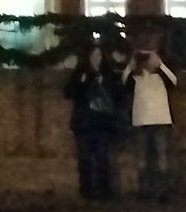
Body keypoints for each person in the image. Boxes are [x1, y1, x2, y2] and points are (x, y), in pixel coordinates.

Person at [63, 46, 123, 203]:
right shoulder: (80, 73)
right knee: (85, 157)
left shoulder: (108, 74)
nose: (96, 58)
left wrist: (106, 83)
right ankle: (86, 188)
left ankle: (104, 188)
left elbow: (118, 94)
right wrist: (83, 82)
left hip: (102, 122)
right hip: (84, 122)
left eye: (99, 55)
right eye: (93, 55)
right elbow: (69, 92)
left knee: (102, 156)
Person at [123, 47, 176, 200]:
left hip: (160, 121)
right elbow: (124, 83)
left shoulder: (161, 77)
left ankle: (162, 189)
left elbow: (173, 81)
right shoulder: (137, 78)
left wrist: (160, 65)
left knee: (161, 156)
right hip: (142, 122)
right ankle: (145, 189)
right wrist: (131, 65)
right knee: (143, 156)